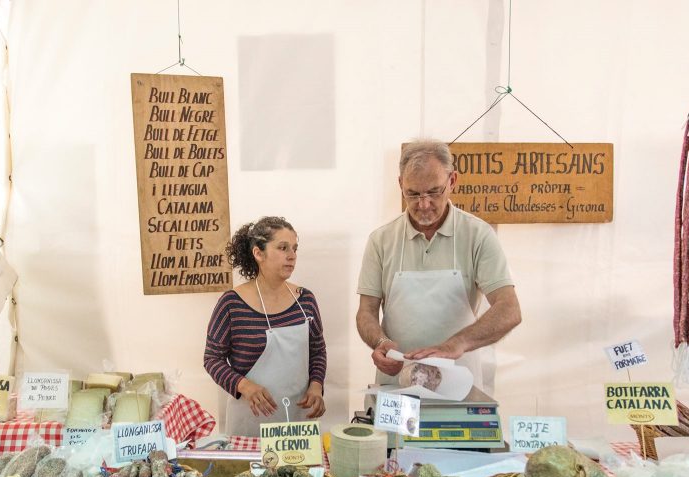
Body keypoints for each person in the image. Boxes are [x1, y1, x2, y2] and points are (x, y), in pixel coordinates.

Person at [356, 139, 521, 395]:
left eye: (434, 192)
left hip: (458, 383)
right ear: (401, 185)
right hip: (396, 383)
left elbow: (509, 309)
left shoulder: (477, 235)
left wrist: (456, 344)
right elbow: (366, 312)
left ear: (452, 181)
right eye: (413, 194)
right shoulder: (381, 240)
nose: (423, 204)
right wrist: (381, 342)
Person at [205, 216, 327, 436]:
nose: (292, 256)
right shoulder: (232, 303)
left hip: (297, 423)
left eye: (295, 249)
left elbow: (317, 350)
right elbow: (212, 359)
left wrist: (316, 385)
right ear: (258, 253)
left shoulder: (305, 300)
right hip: (250, 424)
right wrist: (244, 385)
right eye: (282, 248)